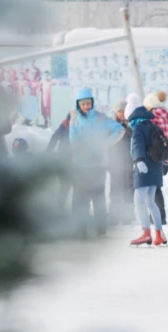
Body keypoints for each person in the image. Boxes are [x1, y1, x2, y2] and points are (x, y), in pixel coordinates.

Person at [68, 88, 125, 238]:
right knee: (81, 198)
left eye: (88, 103)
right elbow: (73, 139)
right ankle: (80, 228)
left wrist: (105, 145)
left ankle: (100, 227)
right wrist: (82, 151)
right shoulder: (75, 119)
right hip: (80, 164)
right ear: (78, 104)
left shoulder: (101, 117)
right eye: (83, 104)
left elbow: (119, 130)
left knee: (98, 196)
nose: (86, 106)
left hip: (98, 164)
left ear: (92, 103)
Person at [127, 104, 165, 247]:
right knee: (150, 201)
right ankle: (159, 234)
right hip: (156, 168)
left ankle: (146, 233)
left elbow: (137, 145)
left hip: (143, 168)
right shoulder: (154, 127)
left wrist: (138, 160)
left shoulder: (138, 127)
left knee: (139, 200)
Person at [144, 91, 168, 226]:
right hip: (164, 157)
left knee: (154, 187)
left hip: (154, 156)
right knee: (156, 186)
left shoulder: (153, 117)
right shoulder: (164, 115)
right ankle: (159, 214)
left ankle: (159, 215)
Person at [109, 101, 134, 226]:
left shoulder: (131, 125)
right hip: (115, 163)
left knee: (128, 190)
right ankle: (114, 216)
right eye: (119, 111)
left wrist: (126, 129)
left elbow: (135, 140)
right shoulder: (110, 126)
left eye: (123, 111)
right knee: (115, 191)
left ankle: (128, 217)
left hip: (129, 162)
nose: (121, 114)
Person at [47, 112, 74, 211]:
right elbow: (54, 138)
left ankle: (67, 207)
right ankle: (60, 207)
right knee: (65, 185)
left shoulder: (79, 127)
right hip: (64, 159)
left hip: (76, 160)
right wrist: (49, 151)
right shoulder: (64, 126)